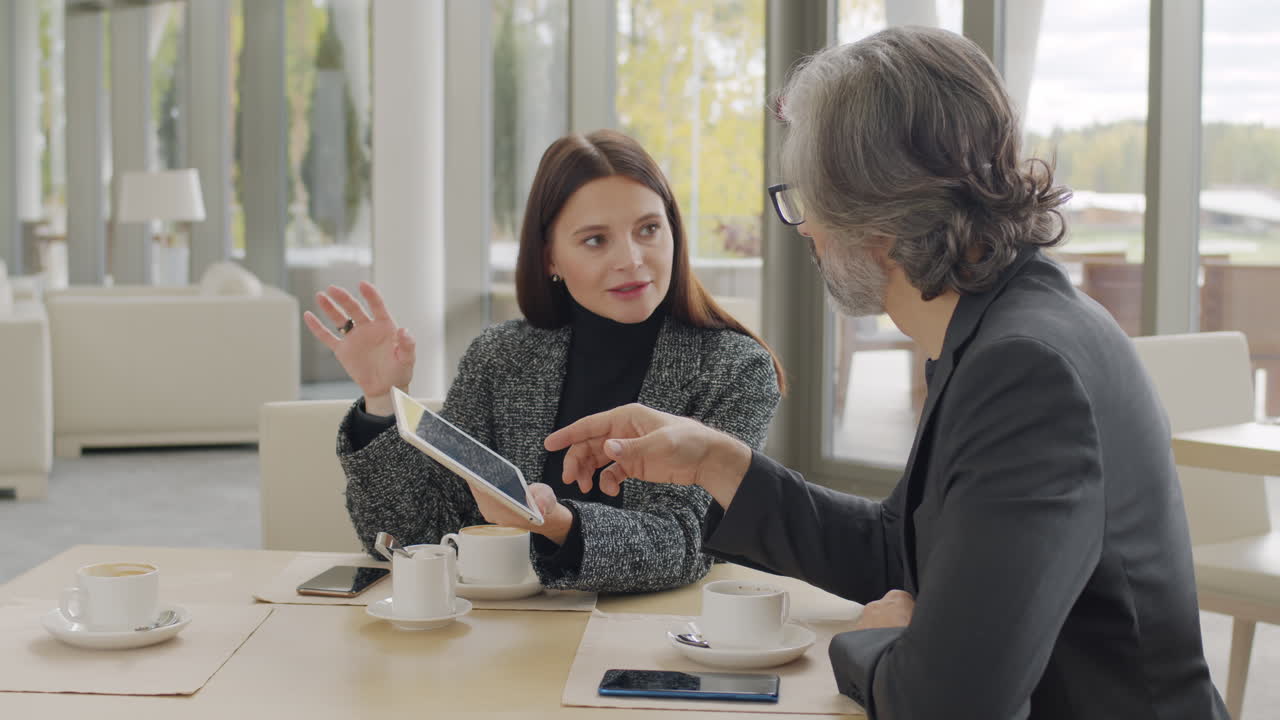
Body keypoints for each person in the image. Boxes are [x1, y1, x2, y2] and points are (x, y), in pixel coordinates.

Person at [545, 27, 1228, 720]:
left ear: (874, 215)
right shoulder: (1007, 327)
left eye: (808, 200)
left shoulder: (1026, 373)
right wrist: (715, 464)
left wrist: (879, 641)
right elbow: (903, 550)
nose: (805, 230)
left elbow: (946, 703)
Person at [303, 129, 784, 593]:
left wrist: (558, 524)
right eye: (596, 240)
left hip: (654, 631)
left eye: (649, 229)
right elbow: (415, 536)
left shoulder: (736, 369)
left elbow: (688, 541)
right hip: (500, 632)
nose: (632, 258)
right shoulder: (500, 358)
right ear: (550, 256)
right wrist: (381, 401)